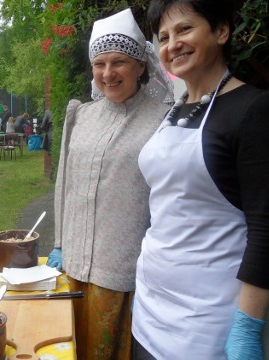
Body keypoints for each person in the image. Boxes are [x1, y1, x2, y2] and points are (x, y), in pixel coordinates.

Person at [131, 1, 269, 359]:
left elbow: (267, 231)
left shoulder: (255, 111)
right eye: (163, 36)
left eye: (185, 29)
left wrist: (248, 328)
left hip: (208, 322)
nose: (172, 44)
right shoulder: (175, 111)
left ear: (221, 31)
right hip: (149, 307)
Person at [45, 8, 173, 359]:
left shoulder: (164, 120)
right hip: (71, 266)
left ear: (141, 65)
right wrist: (60, 242)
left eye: (119, 62)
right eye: (99, 64)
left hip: (122, 273)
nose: (108, 73)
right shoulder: (81, 116)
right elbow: (64, 184)